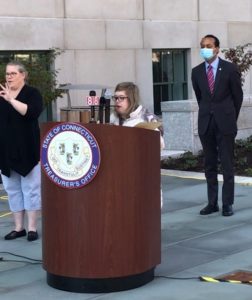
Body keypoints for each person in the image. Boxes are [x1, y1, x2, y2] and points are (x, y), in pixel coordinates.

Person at [191, 34, 243, 217]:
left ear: (217, 48)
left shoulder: (229, 69)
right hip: (206, 123)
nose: (205, 48)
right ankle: (212, 203)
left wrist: (230, 117)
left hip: (226, 123)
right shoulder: (196, 72)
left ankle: (227, 203)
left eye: (209, 45)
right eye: (202, 46)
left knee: (227, 164)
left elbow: (238, 97)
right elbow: (200, 97)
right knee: (209, 164)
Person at [0, 61, 43, 241]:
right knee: (12, 189)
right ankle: (18, 228)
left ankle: (31, 228)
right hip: (5, 149)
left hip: (28, 149)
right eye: (7, 74)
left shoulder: (32, 93)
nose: (9, 77)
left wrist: (11, 100)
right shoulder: (1, 95)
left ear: (23, 75)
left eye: (13, 73)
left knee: (31, 189)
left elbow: (31, 113)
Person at [110, 81, 164, 206]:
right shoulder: (113, 118)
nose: (117, 101)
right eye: (115, 97)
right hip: (119, 175)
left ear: (131, 99)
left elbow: (159, 145)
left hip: (142, 176)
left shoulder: (146, 118)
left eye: (121, 98)